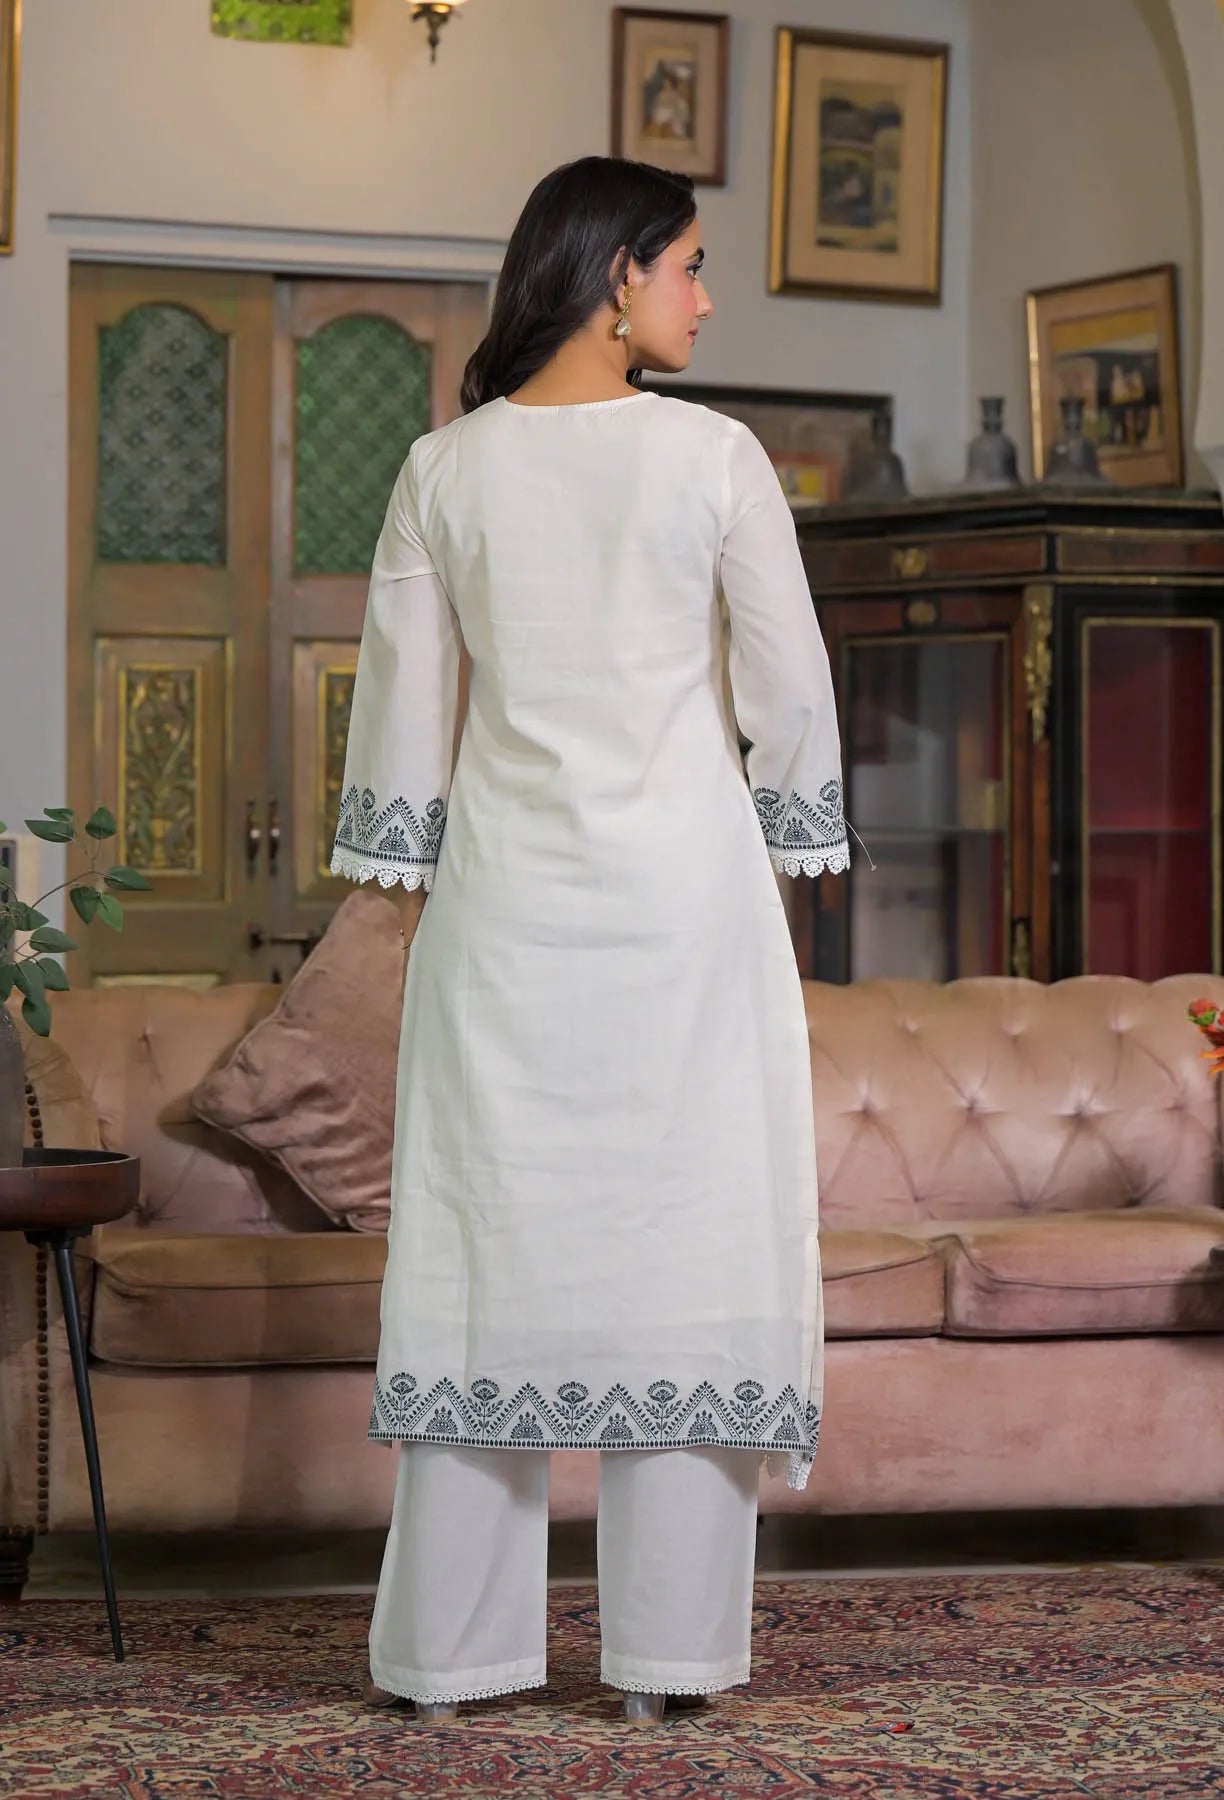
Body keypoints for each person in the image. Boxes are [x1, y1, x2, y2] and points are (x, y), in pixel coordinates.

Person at [328, 154, 850, 1728]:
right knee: (687, 1251)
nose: (706, 294)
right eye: (690, 263)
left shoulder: (442, 471)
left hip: (503, 930)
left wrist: (394, 859)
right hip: (687, 923)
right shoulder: (715, 460)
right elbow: (797, 697)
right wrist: (792, 822)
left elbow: (402, 754)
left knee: (492, 1253)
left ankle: (450, 1660)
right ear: (617, 276)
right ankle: (667, 1665)